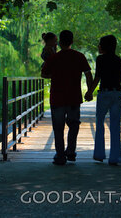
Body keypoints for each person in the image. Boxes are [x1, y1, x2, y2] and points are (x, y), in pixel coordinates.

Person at [41, 30, 93, 165]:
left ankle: (60, 155)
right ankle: (70, 151)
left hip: (57, 98)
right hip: (74, 97)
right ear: (72, 41)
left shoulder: (54, 58)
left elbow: (44, 74)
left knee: (58, 127)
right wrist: (89, 91)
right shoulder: (79, 56)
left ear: (59, 42)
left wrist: (56, 75)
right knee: (74, 124)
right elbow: (88, 74)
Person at [85, 35, 121, 165]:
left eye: (100, 44)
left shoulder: (100, 59)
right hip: (117, 93)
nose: (98, 46)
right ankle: (115, 157)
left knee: (100, 123)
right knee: (115, 125)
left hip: (104, 94)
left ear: (104, 46)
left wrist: (89, 92)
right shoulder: (118, 59)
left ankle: (99, 154)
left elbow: (97, 77)